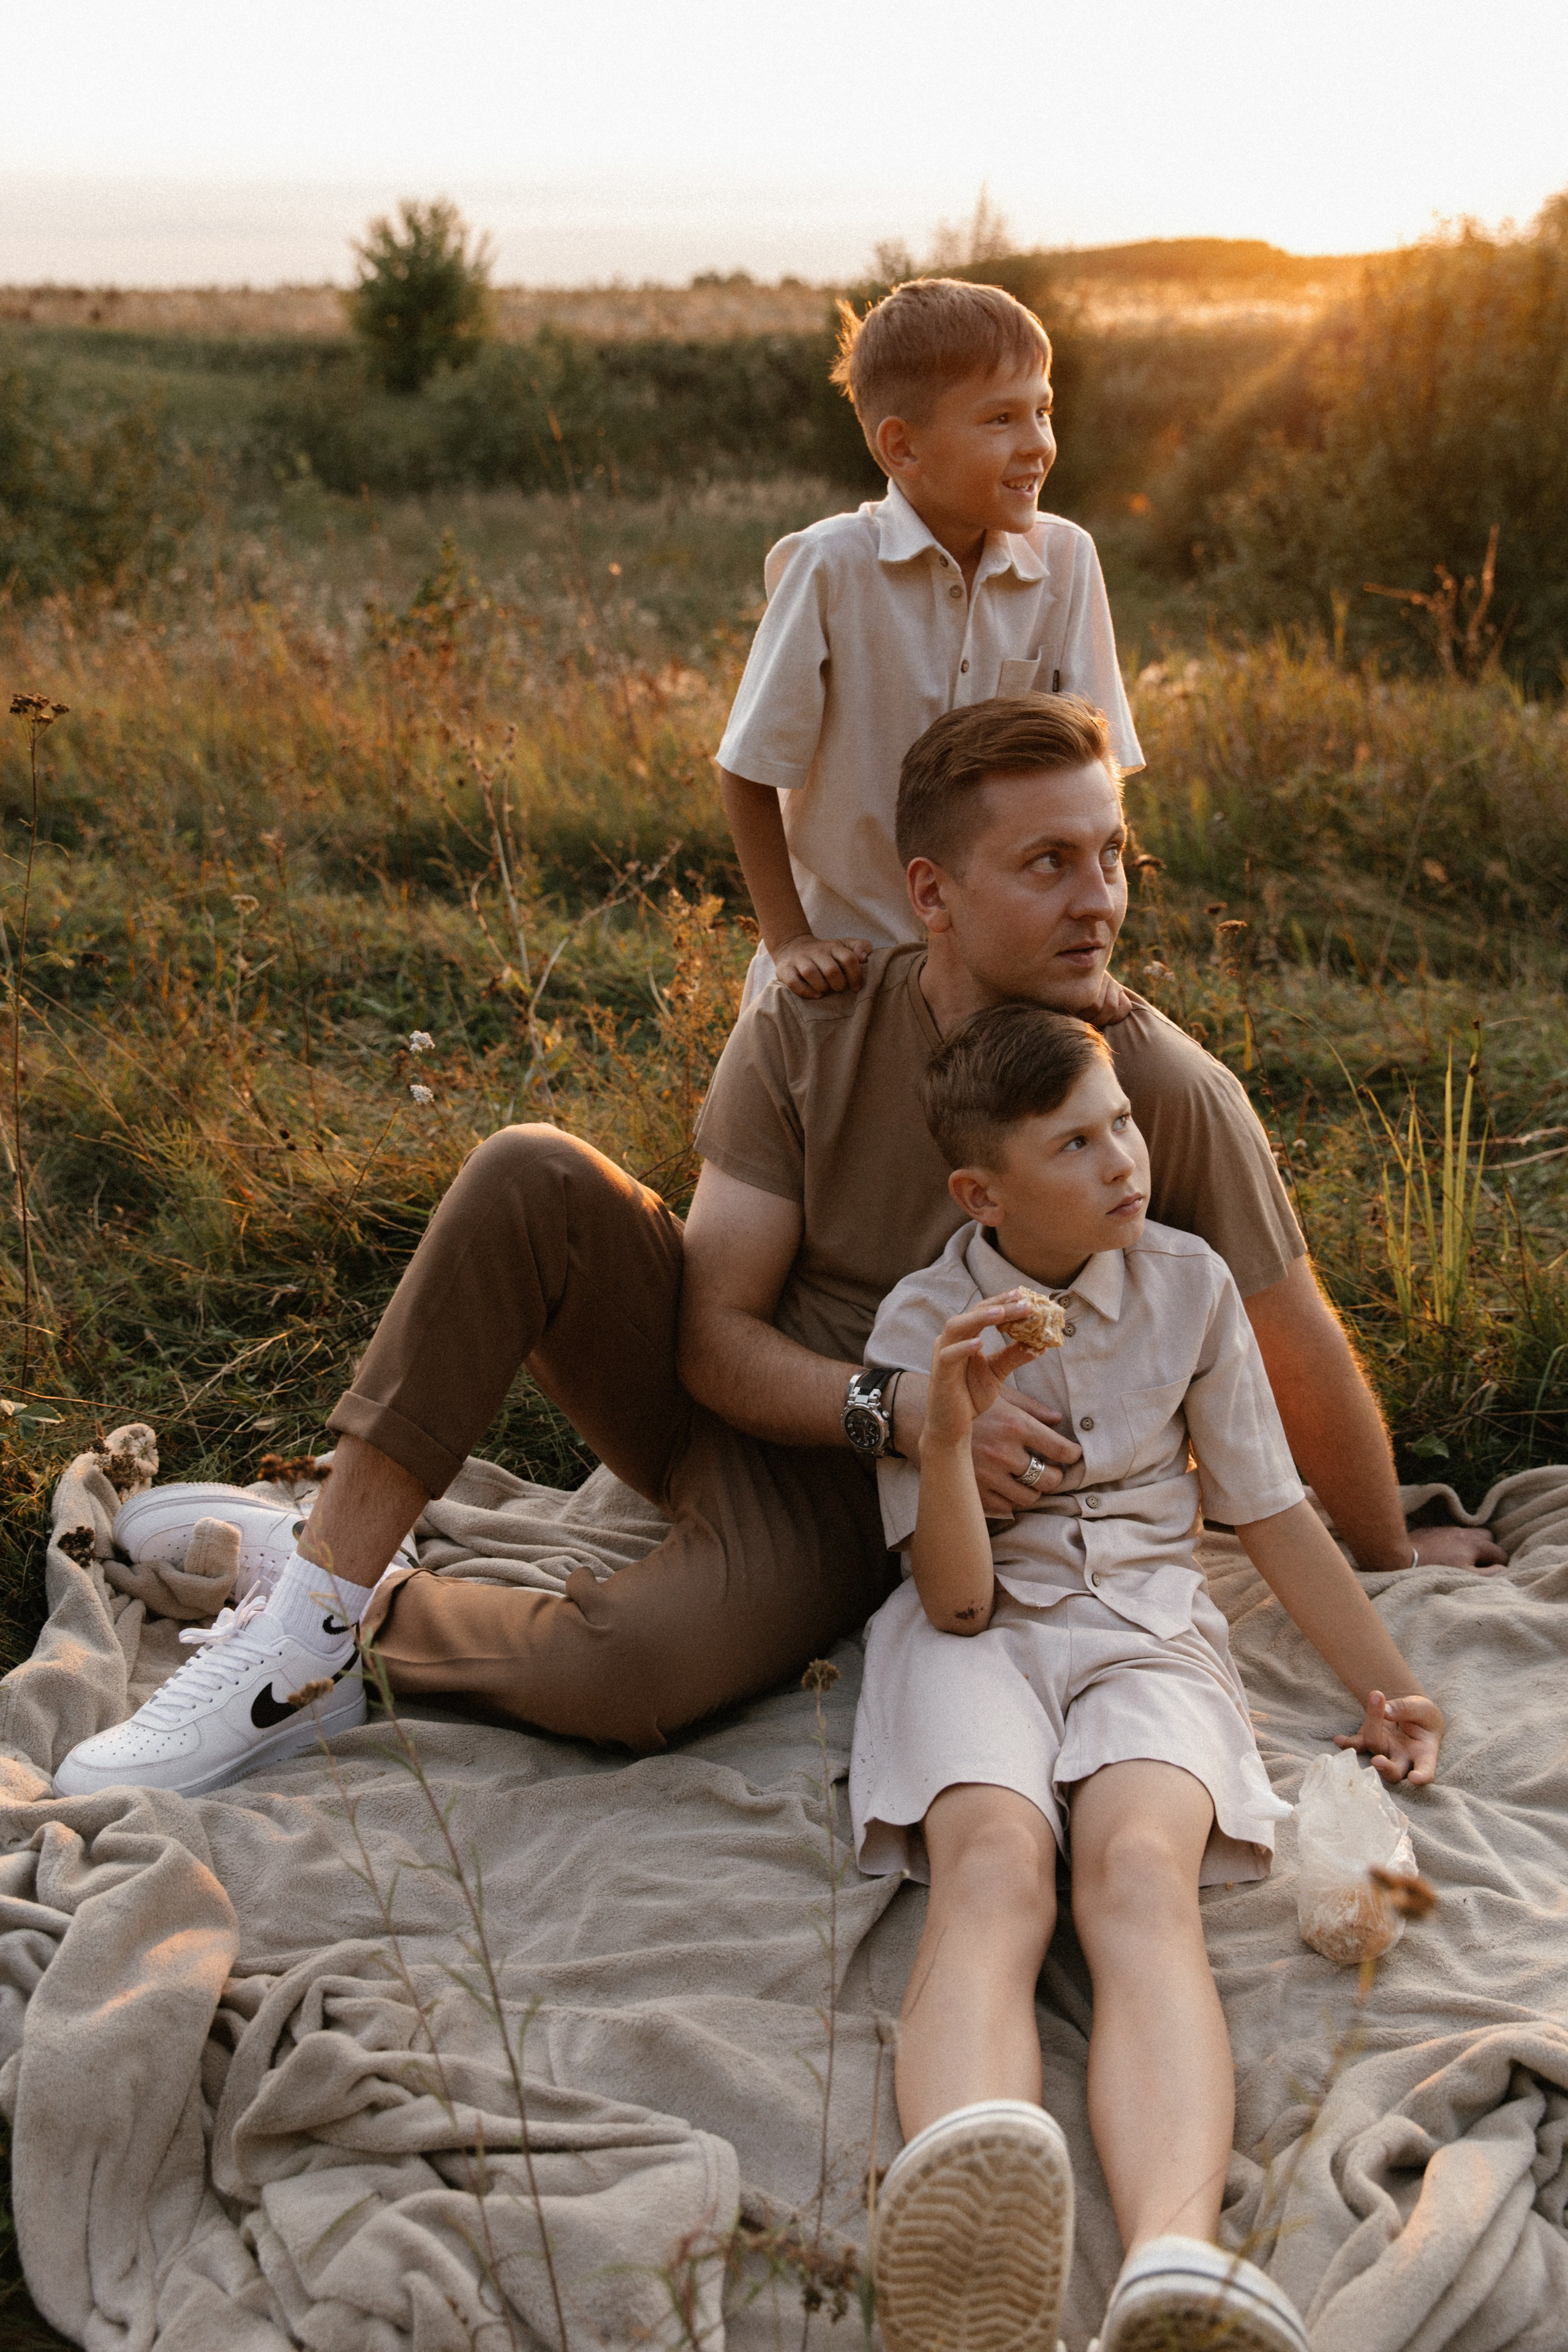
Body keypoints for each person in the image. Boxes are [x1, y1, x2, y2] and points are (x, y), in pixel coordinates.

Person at [53, 696, 1499, 1800]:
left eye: (1111, 857)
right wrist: (898, 1404)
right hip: (767, 1404)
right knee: (529, 1170)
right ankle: (305, 1613)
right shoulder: (815, 1025)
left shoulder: (1155, 1089)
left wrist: (1385, 1554)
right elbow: (708, 1333)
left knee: (629, 1674)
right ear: (931, 891)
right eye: (1049, 862)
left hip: (876, 1511)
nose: (1098, 900)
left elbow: (1286, 1333)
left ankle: (350, 1597)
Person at [854, 998, 1443, 2352]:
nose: (1123, 1158)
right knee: (995, 1867)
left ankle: (1173, 2260)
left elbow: (1267, 1508)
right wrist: (940, 1434)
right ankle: (970, 2257)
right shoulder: (923, 1321)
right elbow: (953, 1598)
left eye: (1119, 1123)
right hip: (979, 1635)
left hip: (1149, 1630)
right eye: (1074, 1144)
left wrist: (1389, 1683)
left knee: (1136, 1875)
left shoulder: (1186, 1284)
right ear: (982, 1193)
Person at [717, 275, 1142, 1002]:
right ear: (902, 447)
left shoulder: (1067, 560)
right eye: (1001, 418)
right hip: (851, 969)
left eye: (1042, 411)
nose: (1037, 444)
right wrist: (791, 944)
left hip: (1008, 973)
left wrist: (1082, 950)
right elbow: (748, 771)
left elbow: (1098, 785)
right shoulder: (831, 567)